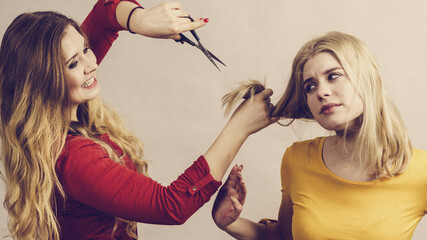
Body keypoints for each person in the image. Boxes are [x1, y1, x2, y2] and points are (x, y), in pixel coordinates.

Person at [0, 0, 278, 239]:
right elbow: (171, 204)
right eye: (73, 63)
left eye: (86, 48)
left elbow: (103, 14)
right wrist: (240, 127)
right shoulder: (74, 158)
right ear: (43, 82)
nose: (92, 63)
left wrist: (141, 20)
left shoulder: (57, 118)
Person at [212, 31, 427, 240]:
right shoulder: (297, 158)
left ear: (366, 78)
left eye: (333, 76)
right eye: (310, 86)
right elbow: (285, 237)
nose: (321, 92)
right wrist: (230, 223)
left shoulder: (421, 171)